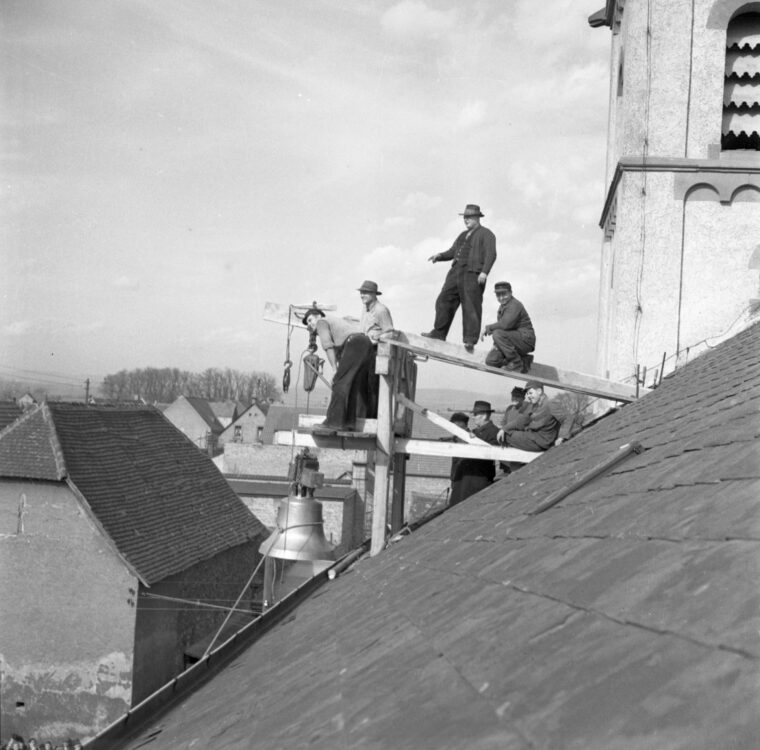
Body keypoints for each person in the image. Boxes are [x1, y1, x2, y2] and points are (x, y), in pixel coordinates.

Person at [422, 204, 496, 353]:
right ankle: (438, 333)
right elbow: (452, 251)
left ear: (477, 218)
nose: (466, 220)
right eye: (464, 217)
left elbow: (491, 254)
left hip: (473, 273)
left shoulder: (487, 234)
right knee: (443, 300)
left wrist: (484, 272)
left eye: (469, 217)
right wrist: (440, 256)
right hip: (456, 272)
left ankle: (470, 339)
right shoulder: (462, 235)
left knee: (471, 306)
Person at [303, 307, 373, 432]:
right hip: (366, 344)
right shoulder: (334, 322)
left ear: (318, 316)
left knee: (339, 383)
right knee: (352, 385)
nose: (310, 324)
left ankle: (333, 422)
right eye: (308, 323)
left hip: (354, 343)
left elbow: (328, 346)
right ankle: (349, 422)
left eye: (310, 320)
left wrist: (335, 370)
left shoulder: (321, 322)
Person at [449, 400, 500, 506]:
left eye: (476, 414)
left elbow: (487, 453)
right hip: (464, 479)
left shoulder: (494, 432)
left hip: (477, 480)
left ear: (484, 415)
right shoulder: (475, 432)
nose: (473, 417)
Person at [357, 280, 394, 417]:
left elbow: (390, 332)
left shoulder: (381, 310)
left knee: (373, 386)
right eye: (361, 292)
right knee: (361, 384)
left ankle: (372, 418)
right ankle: (362, 416)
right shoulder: (365, 308)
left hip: (375, 351)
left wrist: (376, 338)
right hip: (363, 350)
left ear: (373, 294)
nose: (362, 295)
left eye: (365, 293)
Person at [483, 281, 535, 372]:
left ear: (511, 293)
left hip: (525, 340)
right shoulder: (502, 307)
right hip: (512, 341)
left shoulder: (515, 305)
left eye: (504, 294)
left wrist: (487, 328)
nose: (501, 298)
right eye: (498, 295)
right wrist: (496, 345)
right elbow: (503, 329)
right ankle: (524, 360)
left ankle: (516, 363)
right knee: (491, 361)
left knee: (497, 334)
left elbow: (505, 325)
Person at [499, 381, 560, 451]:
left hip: (540, 442)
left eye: (530, 393)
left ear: (539, 391)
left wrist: (561, 437)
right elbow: (522, 420)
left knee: (504, 436)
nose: (528, 396)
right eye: (527, 394)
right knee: (505, 433)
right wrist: (505, 428)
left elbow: (568, 418)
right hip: (536, 438)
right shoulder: (534, 405)